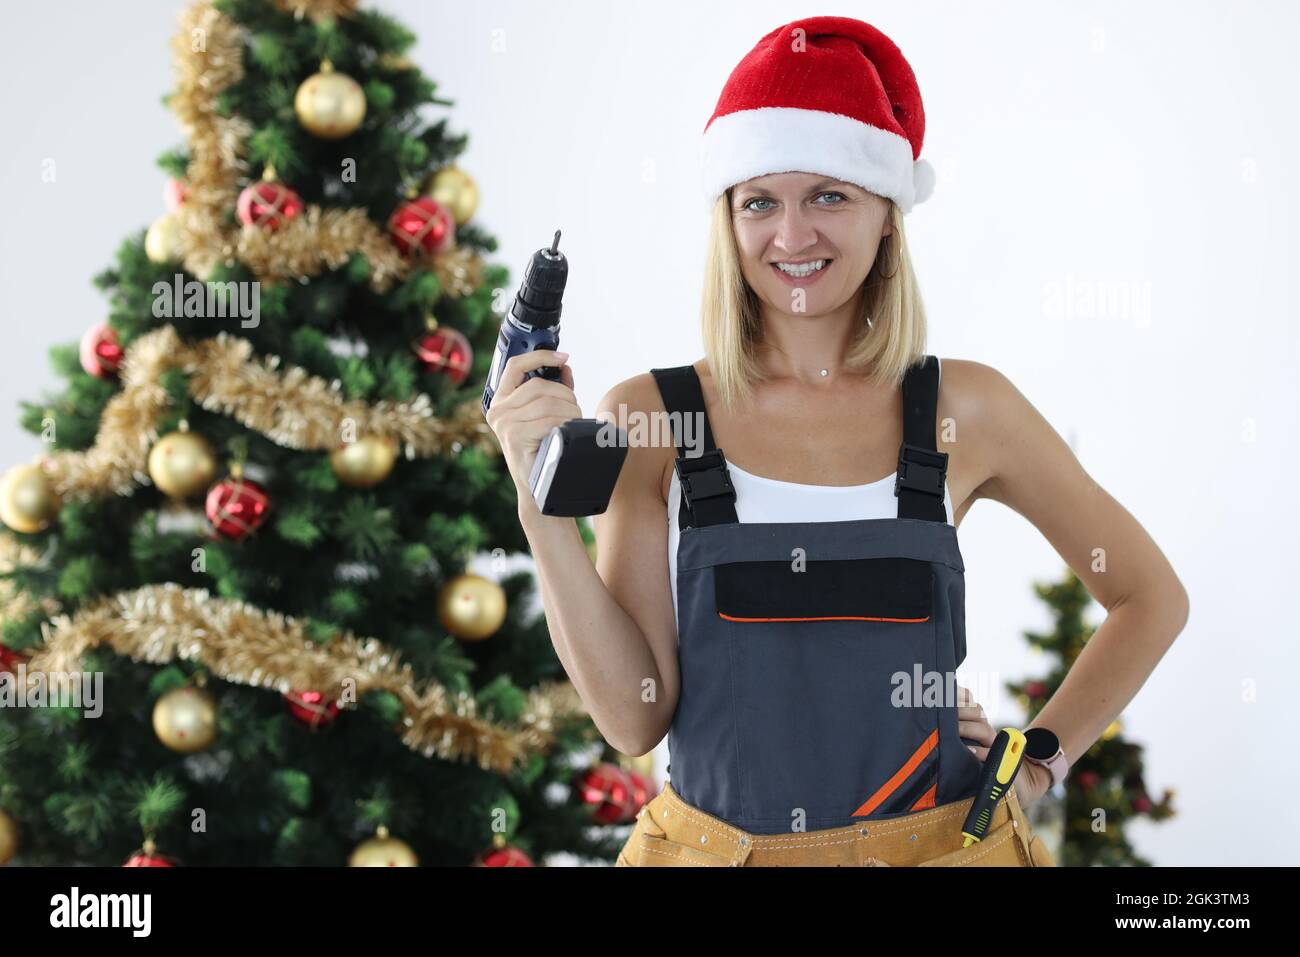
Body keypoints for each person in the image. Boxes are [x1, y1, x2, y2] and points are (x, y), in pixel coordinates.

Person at [483, 15, 1189, 866]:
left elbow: (1149, 598)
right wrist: (538, 499)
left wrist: (1035, 761)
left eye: (829, 195)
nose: (792, 236)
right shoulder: (654, 417)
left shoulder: (965, 407)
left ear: (887, 212)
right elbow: (635, 716)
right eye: (760, 202)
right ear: (728, 219)